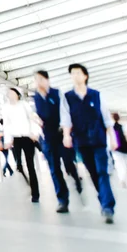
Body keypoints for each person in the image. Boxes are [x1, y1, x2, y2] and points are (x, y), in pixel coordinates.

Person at [61, 63, 117, 224]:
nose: (75, 76)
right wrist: (66, 135)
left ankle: (108, 207)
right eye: (72, 73)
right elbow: (66, 118)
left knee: (102, 172)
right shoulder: (68, 97)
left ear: (85, 76)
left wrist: (113, 139)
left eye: (78, 73)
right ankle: (104, 199)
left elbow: (106, 119)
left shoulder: (96, 95)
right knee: (93, 173)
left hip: (99, 140)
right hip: (82, 141)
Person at [33, 70, 83, 213]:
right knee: (54, 169)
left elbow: (65, 112)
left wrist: (67, 133)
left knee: (68, 163)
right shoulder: (36, 97)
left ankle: (76, 179)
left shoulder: (57, 93)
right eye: (36, 80)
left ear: (46, 80)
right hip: (47, 137)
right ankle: (62, 200)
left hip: (61, 134)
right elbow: (37, 115)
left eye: (40, 79)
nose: (38, 82)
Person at [3, 88, 42, 203]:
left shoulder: (24, 105)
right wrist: (7, 140)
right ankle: (27, 185)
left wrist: (34, 133)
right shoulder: (6, 108)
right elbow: (6, 124)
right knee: (18, 165)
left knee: (30, 165)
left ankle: (35, 193)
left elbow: (31, 118)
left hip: (27, 137)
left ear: (18, 95)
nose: (10, 95)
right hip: (16, 139)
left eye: (12, 93)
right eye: (8, 93)